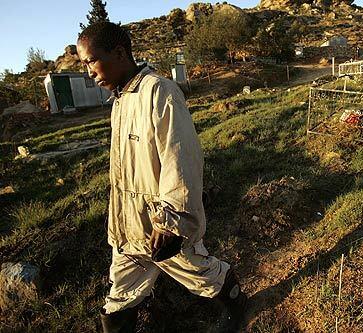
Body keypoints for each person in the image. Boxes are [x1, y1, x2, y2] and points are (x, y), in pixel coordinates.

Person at [76, 22, 246, 333]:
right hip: (128, 227)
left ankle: (235, 300)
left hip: (160, 227)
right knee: (120, 296)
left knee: (199, 272)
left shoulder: (159, 91)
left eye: (90, 60)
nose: (88, 72)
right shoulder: (120, 100)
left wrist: (170, 223)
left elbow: (179, 159)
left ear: (119, 53)